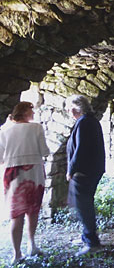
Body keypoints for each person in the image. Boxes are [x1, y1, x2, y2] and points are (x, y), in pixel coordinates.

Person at [0, 102, 49, 265]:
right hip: (33, 170)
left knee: (16, 214)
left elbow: (0, 158)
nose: (33, 114)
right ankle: (32, 244)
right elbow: (45, 151)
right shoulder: (36, 128)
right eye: (31, 110)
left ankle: (16, 254)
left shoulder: (4, 130)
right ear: (24, 112)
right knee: (33, 210)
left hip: (13, 174)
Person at [65, 94, 105, 256]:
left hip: (85, 172)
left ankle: (91, 242)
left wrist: (71, 170)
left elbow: (80, 150)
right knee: (82, 203)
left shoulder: (84, 123)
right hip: (92, 170)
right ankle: (86, 236)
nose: (67, 111)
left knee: (83, 206)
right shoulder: (90, 121)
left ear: (75, 109)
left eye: (68, 108)